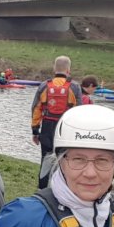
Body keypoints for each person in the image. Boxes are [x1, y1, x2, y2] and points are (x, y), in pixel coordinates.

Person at [31, 55, 83, 188]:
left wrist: (35, 131)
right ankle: (63, 188)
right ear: (68, 70)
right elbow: (79, 111)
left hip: (47, 127)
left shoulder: (44, 86)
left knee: (46, 159)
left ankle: (42, 189)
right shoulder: (74, 87)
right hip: (66, 128)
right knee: (65, 159)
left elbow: (36, 109)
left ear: (54, 69)